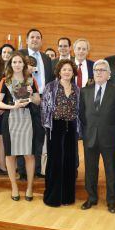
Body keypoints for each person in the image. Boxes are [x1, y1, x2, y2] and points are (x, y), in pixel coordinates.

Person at [0, 52, 41, 201]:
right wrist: (12, 106)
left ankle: (29, 187)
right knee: (11, 154)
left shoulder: (31, 80)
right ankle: (14, 187)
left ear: (24, 64)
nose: (17, 65)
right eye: (14, 62)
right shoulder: (5, 81)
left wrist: (32, 94)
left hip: (28, 119)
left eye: (19, 62)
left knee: (29, 154)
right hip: (11, 119)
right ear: (10, 64)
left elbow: (38, 101)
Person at [79, 59, 115, 212]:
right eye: (96, 69)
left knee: (111, 171)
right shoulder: (85, 91)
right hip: (90, 136)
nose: (98, 72)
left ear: (109, 74)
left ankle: (111, 202)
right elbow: (82, 115)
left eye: (102, 70)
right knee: (90, 170)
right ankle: (91, 198)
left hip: (110, 138)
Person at [41, 59, 80, 207]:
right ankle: (53, 197)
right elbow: (44, 109)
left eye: (69, 70)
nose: (67, 72)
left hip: (71, 126)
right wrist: (48, 127)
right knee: (55, 162)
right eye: (64, 69)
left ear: (73, 72)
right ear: (59, 71)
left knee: (69, 162)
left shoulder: (76, 89)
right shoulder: (50, 87)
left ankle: (67, 197)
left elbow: (78, 109)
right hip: (55, 128)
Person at [20, 28, 53, 180]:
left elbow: (50, 80)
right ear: (27, 40)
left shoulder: (46, 58)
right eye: (32, 37)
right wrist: (30, 95)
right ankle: (23, 171)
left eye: (38, 37)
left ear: (41, 41)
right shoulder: (19, 55)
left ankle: (38, 169)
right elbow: (12, 76)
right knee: (23, 135)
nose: (35, 39)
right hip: (23, 99)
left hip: (43, 101)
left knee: (40, 136)